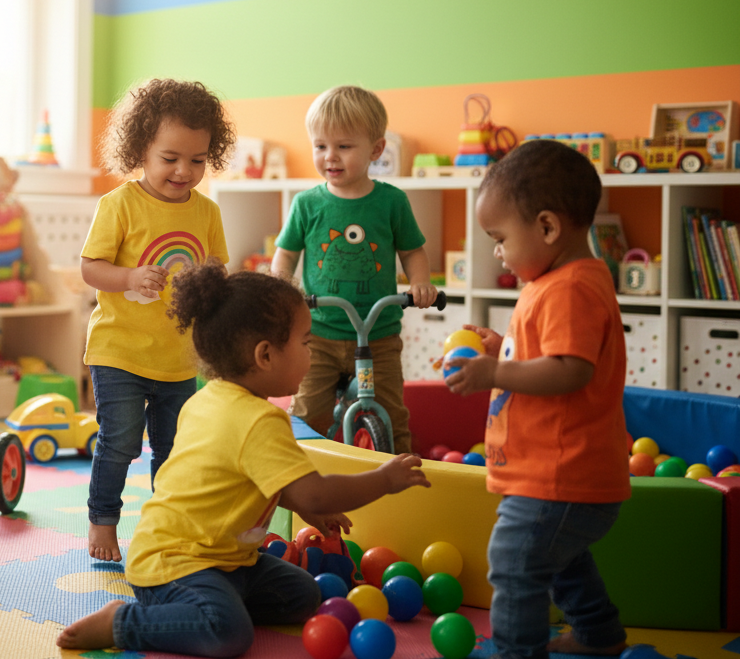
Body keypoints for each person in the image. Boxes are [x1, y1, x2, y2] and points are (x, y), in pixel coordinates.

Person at [58, 260, 430, 657]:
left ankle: (208, 606)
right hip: (177, 563)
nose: (311, 352)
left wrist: (304, 505)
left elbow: (252, 476)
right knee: (228, 634)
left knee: (303, 595)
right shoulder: (260, 421)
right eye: (305, 343)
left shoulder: (209, 398)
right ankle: (124, 621)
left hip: (227, 559)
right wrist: (384, 478)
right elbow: (316, 495)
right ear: (265, 355)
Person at [444, 140, 629, 659]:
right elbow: (548, 352)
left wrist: (495, 371)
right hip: (550, 473)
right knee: (559, 560)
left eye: (500, 238)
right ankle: (598, 635)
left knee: (514, 562)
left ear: (547, 228)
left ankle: (517, 652)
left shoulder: (570, 288)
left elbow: (570, 370)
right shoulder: (556, 281)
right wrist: (502, 347)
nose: (497, 251)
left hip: (560, 475)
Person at [80, 78, 235, 562]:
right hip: (120, 352)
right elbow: (90, 268)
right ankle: (103, 523)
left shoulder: (207, 213)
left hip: (177, 358)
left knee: (173, 452)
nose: (183, 171)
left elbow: (214, 272)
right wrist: (127, 277)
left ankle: (166, 528)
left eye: (197, 160)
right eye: (170, 158)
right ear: (140, 149)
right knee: (120, 444)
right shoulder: (120, 205)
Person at [271, 85, 436, 453]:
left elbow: (413, 252)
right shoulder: (307, 204)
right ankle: (303, 477)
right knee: (307, 414)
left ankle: (404, 479)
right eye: (320, 146)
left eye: (344, 146)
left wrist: (420, 283)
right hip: (319, 336)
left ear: (376, 149)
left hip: (379, 334)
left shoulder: (392, 202)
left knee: (393, 414)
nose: (330, 156)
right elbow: (285, 255)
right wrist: (283, 286)